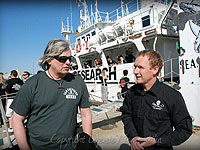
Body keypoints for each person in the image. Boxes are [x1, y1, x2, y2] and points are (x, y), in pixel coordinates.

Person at [10, 39, 92, 150]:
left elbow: (86, 114)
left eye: (70, 59)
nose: (68, 62)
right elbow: (16, 120)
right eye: (62, 59)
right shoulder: (32, 84)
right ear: (49, 60)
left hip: (70, 146)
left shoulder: (78, 82)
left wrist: (87, 142)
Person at [121, 49, 192, 150]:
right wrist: (133, 137)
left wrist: (157, 141)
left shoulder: (172, 96)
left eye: (140, 67)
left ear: (155, 69)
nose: (135, 71)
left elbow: (185, 129)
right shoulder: (132, 92)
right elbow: (126, 116)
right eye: (135, 67)